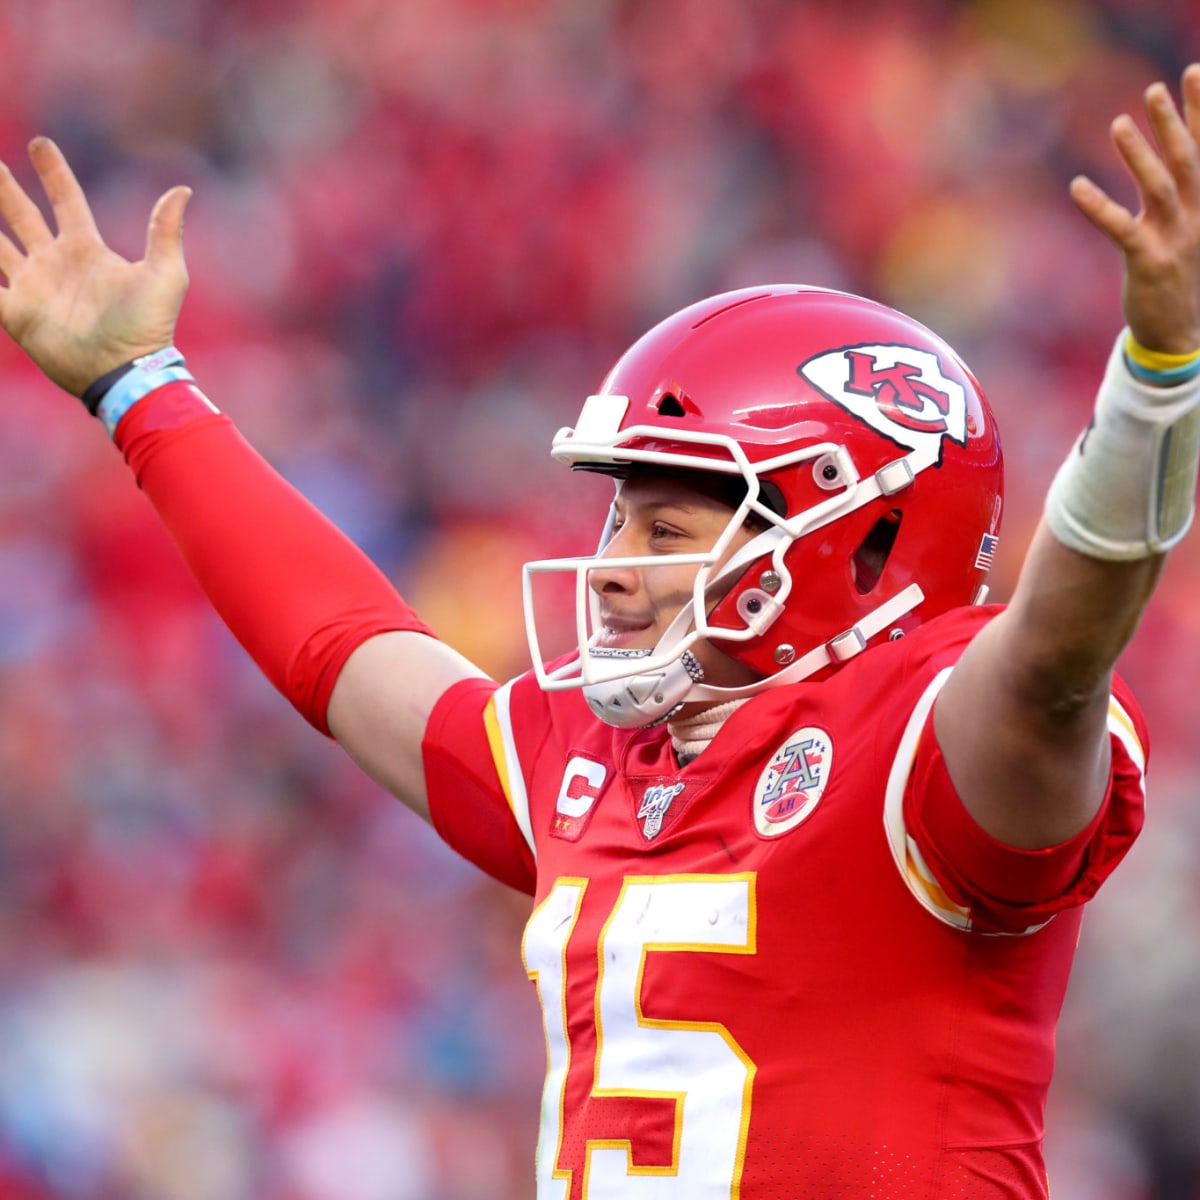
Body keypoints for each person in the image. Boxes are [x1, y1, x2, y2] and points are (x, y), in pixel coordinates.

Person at [0, 59, 1198, 1200]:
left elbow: (1053, 659)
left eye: (667, 530)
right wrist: (140, 389)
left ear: (864, 540)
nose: (616, 572)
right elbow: (342, 648)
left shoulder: (934, 741)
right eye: (619, 520)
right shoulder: (594, 756)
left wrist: (1155, 380)